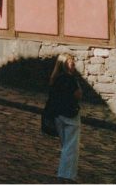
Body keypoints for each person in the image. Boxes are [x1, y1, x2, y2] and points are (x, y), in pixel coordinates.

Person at [49, 54, 83, 183]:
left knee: (65, 146)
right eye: (71, 62)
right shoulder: (70, 79)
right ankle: (66, 175)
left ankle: (64, 174)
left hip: (58, 115)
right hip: (70, 115)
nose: (73, 64)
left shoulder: (54, 78)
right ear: (65, 64)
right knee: (71, 147)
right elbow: (78, 95)